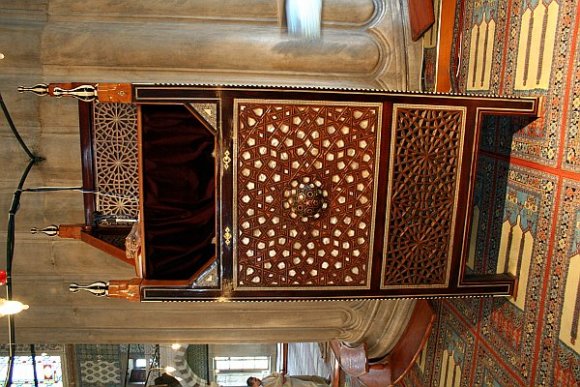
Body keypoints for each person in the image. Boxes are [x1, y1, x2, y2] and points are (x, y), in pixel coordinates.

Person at [247, 372, 329, 387]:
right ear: (254, 386)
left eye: (255, 378)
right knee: (310, 385)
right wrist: (280, 377)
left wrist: (280, 375)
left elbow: (274, 374)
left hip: (288, 378)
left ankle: (325, 380)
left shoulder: (264, 379)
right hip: (290, 385)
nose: (257, 379)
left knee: (309, 378)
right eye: (255, 381)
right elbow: (278, 385)